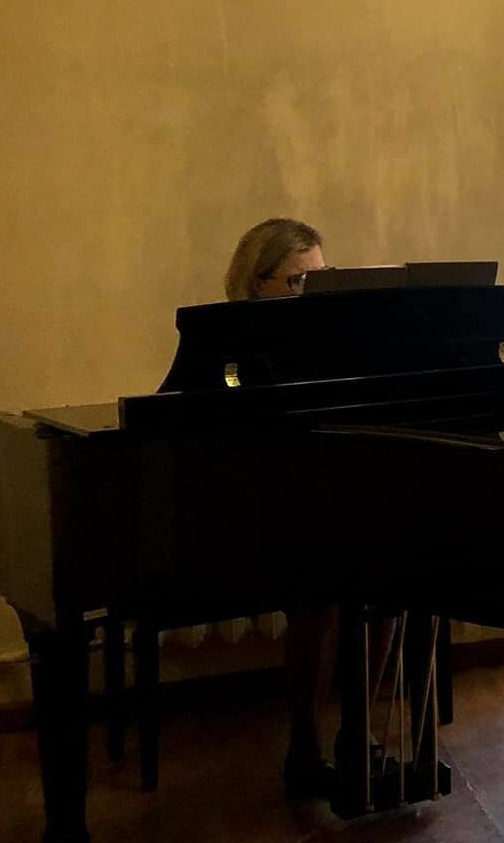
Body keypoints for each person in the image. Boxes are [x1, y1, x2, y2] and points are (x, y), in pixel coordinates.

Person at [224, 218, 339, 796]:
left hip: (316, 503)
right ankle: (305, 747)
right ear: (257, 283)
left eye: (318, 281)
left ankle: (359, 733)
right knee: (316, 592)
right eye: (297, 282)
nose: (308, 296)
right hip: (250, 515)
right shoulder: (229, 350)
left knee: (394, 579)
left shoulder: (334, 343)